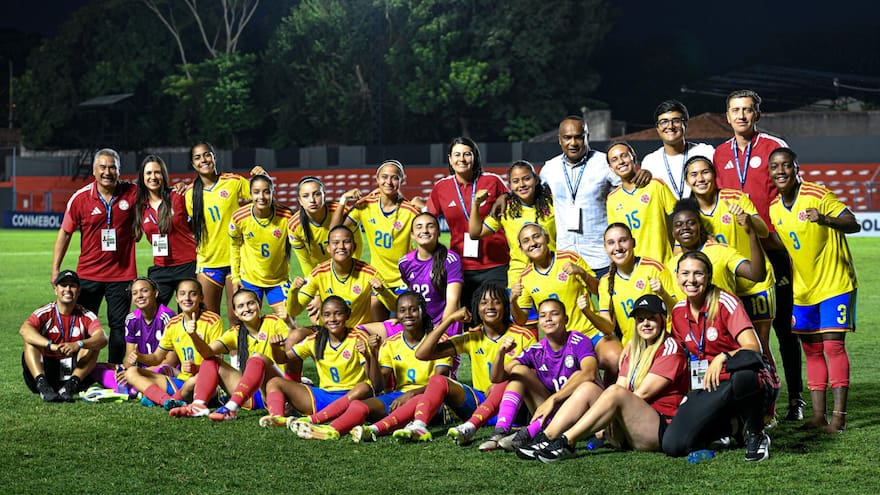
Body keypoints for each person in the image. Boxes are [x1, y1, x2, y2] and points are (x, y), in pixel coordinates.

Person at [712, 89, 804, 420]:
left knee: (783, 328)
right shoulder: (718, 154)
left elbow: (792, 189)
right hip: (739, 258)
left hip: (774, 251)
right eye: (735, 110)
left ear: (757, 115)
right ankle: (756, 401)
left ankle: (795, 399)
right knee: (745, 329)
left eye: (747, 110)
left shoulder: (773, 146)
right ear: (727, 116)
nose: (741, 116)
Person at [350, 282, 536, 443]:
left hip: (511, 407)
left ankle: (481, 427)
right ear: (476, 308)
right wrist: (449, 320)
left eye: (496, 301)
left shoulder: (523, 335)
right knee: (438, 381)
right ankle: (417, 426)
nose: (490, 306)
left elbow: (532, 377)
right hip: (478, 401)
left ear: (505, 306)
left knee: (506, 380)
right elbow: (423, 353)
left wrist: (502, 384)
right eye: (484, 302)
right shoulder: (472, 336)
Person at [519, 294, 688, 462]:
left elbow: (641, 394)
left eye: (651, 318)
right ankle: (546, 437)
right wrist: (604, 416)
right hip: (628, 429)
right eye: (640, 319)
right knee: (588, 387)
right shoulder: (634, 350)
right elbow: (622, 385)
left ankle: (566, 441)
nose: (645, 324)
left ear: (663, 320)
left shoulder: (670, 348)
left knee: (614, 392)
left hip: (656, 431)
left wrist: (604, 417)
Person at [768, 147, 859, 433]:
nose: (781, 171)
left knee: (833, 346)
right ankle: (818, 416)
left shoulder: (817, 194)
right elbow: (786, 244)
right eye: (775, 167)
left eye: (786, 165)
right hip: (803, 291)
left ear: (796, 168)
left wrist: (825, 219)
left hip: (835, 283)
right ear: (770, 173)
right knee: (812, 351)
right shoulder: (773, 209)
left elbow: (852, 223)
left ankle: (839, 418)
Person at [287, 292, 452, 439]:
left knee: (413, 401)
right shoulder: (390, 344)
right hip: (398, 397)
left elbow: (440, 382)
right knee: (359, 405)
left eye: (413, 309)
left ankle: (375, 429)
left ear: (423, 312)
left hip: (429, 399)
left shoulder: (439, 340)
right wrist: (372, 354)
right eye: (402, 310)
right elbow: (378, 385)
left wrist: (412, 394)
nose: (407, 314)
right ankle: (330, 430)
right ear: (397, 316)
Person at [662, 251, 776, 462]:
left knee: (746, 375)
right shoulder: (678, 312)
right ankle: (733, 427)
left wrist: (722, 357)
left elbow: (754, 348)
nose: (691, 280)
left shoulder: (725, 302)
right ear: (677, 276)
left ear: (709, 276)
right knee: (673, 445)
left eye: (698, 274)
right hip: (708, 383)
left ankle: (756, 434)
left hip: (740, 379)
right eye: (685, 273)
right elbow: (679, 355)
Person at [685, 156, 778, 378]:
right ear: (687, 181)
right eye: (694, 174)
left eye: (705, 172)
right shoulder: (689, 211)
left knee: (759, 344)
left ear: (714, 174)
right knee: (724, 344)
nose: (700, 178)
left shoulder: (733, 198)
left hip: (754, 282)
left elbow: (763, 230)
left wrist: (747, 220)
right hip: (721, 288)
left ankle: (769, 401)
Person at [52, 148, 137, 364]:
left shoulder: (133, 193)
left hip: (122, 275)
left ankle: (114, 371)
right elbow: (65, 233)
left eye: (112, 167)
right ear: (94, 170)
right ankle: (78, 371)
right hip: (89, 275)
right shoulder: (80, 198)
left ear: (119, 170)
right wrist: (55, 268)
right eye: (103, 167)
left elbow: (159, 195)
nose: (107, 172)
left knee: (118, 325)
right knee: (83, 325)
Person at [541, 116, 651, 276]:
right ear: (560, 140)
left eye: (579, 137)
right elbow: (528, 193)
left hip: (601, 259)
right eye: (567, 138)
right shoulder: (549, 169)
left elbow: (631, 188)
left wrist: (645, 174)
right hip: (565, 260)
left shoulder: (604, 164)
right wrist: (505, 198)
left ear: (587, 137)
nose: (573, 143)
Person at [490, 299, 599, 457]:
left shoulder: (579, 341)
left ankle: (531, 431)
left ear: (566, 319)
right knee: (518, 371)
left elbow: (590, 373)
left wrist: (553, 399)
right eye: (543, 315)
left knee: (578, 375)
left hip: (582, 412)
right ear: (539, 321)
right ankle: (501, 430)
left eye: (554, 314)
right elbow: (496, 377)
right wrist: (500, 353)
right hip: (551, 410)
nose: (548, 318)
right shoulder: (537, 350)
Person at [511, 223, 621, 381]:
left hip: (590, 332)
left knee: (616, 359)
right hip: (561, 343)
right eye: (526, 241)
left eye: (536, 236)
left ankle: (611, 396)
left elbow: (598, 290)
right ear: (521, 248)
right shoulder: (525, 278)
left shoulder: (569, 258)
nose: (533, 243)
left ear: (547, 238)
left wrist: (582, 273)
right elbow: (521, 320)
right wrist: (513, 301)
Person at [167, 288, 289, 421]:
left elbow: (291, 353)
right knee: (210, 360)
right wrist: (193, 335)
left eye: (251, 303)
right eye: (241, 306)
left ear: (259, 304)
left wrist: (289, 324)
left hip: (275, 391)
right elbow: (207, 352)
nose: (247, 309)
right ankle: (198, 405)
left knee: (257, 358)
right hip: (249, 395)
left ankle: (231, 407)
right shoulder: (235, 333)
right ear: (236, 313)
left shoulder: (274, 322)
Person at [186, 142, 262, 326]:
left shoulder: (233, 181)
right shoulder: (190, 194)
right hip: (208, 262)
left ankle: (238, 356)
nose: (203, 160)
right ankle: (213, 356)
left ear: (214, 157)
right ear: (193, 164)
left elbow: (261, 197)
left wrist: (263, 177)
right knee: (208, 320)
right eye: (198, 157)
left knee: (236, 316)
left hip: (236, 261)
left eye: (207, 155)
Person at [428, 137, 510, 307]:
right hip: (461, 266)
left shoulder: (492, 181)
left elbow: (512, 206)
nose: (462, 159)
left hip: (496, 263)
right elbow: (428, 218)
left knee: (498, 318)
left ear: (474, 157)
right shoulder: (441, 187)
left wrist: (506, 196)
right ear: (450, 159)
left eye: (467, 154)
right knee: (468, 320)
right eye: (457, 154)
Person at [262, 296, 373, 420]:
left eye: (338, 314)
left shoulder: (358, 337)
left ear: (347, 315)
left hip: (352, 396)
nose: (332, 319)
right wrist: (275, 348)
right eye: (327, 315)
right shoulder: (315, 339)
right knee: (274, 382)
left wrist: (369, 356)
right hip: (323, 396)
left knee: (363, 387)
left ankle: (317, 418)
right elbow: (283, 359)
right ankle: (277, 418)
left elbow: (373, 381)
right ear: (321, 317)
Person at [124, 278, 224, 412]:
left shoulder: (212, 320)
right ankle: (168, 401)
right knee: (131, 372)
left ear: (201, 297)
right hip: (181, 382)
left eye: (192, 294)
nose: (187, 298)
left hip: (205, 382)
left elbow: (218, 362)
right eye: (182, 294)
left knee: (192, 381)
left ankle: (160, 397)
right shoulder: (173, 324)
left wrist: (197, 367)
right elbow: (157, 357)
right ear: (176, 298)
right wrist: (139, 357)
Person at [331, 160, 421, 292]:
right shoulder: (365, 206)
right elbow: (334, 231)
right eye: (384, 177)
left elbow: (431, 237)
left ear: (402, 181)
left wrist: (424, 208)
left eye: (394, 178)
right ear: (377, 179)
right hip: (377, 279)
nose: (388, 182)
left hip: (405, 279)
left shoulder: (409, 211)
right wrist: (343, 199)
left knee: (400, 312)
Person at [20, 270, 108, 402]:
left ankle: (70, 386)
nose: (68, 289)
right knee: (30, 341)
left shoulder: (86, 315)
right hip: (45, 368)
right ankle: (43, 386)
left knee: (92, 345)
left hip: (69, 370)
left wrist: (79, 344)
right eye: (63, 285)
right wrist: (51, 345)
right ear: (56, 290)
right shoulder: (46, 312)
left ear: (78, 291)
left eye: (72, 286)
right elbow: (25, 329)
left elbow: (102, 338)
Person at [287, 225, 396, 327]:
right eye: (335, 242)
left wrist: (383, 291)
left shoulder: (369, 273)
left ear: (354, 247)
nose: (341, 246)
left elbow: (395, 306)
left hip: (358, 333)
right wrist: (293, 291)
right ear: (328, 248)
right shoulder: (318, 273)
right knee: (295, 336)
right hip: (329, 332)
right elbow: (294, 311)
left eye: (346, 242)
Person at [468, 160, 556, 285]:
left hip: (552, 273)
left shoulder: (553, 203)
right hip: (520, 278)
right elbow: (475, 233)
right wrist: (476, 204)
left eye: (526, 179)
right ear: (510, 186)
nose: (521, 184)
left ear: (536, 180)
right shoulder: (505, 209)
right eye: (515, 181)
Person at [588, 223, 676, 346]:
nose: (618, 247)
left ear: (633, 242)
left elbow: (677, 313)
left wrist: (663, 294)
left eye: (623, 240)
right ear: (605, 248)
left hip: (661, 344)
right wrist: (587, 311)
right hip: (631, 348)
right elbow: (608, 327)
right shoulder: (605, 282)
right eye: (611, 242)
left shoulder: (654, 269)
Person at [665, 199, 766, 304]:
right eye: (678, 224)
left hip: (724, 318)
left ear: (700, 227)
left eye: (691, 223)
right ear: (673, 233)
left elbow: (757, 275)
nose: (685, 227)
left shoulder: (721, 251)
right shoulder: (672, 265)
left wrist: (752, 233)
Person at [92, 277, 177, 394]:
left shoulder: (167, 317)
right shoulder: (131, 319)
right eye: (135, 293)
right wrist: (122, 369)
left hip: (162, 370)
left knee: (163, 369)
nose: (140, 296)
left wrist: (136, 373)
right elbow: (129, 358)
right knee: (97, 368)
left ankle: (133, 387)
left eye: (144, 291)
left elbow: (171, 361)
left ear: (155, 293)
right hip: (139, 371)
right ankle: (136, 386)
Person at [133, 154, 197, 307]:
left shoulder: (177, 196)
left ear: (163, 175)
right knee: (151, 310)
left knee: (188, 314)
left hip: (187, 264)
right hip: (161, 267)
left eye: (157, 172)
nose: (153, 177)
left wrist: (185, 185)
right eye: (148, 173)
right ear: (142, 177)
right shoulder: (139, 207)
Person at [229, 174, 294, 323]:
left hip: (278, 280)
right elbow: (234, 247)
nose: (261, 197)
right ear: (250, 194)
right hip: (250, 279)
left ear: (272, 193)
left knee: (288, 322)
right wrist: (235, 278)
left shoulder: (286, 216)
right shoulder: (239, 217)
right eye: (256, 192)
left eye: (266, 191)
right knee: (250, 324)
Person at [605, 142, 677, 264]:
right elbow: (616, 238)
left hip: (662, 264)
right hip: (634, 268)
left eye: (624, 156)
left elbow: (680, 219)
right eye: (614, 159)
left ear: (634, 158)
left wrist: (678, 251)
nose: (621, 161)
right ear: (611, 167)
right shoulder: (612, 199)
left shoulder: (655, 185)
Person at [398, 212, 464, 334]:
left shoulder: (450, 259)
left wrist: (438, 331)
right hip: (418, 324)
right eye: (419, 227)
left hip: (446, 324)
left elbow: (453, 302)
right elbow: (411, 294)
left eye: (430, 226)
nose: (425, 230)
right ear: (412, 235)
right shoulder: (404, 263)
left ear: (439, 232)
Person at [640, 100, 715, 200]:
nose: (670, 126)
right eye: (664, 122)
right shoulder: (650, 161)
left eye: (676, 120)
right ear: (657, 128)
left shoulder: (706, 152)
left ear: (685, 124)